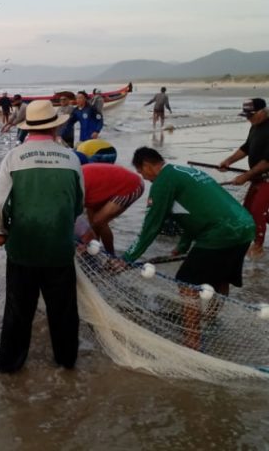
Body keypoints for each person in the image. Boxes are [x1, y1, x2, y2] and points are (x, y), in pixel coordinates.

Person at [125, 147, 254, 350]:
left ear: (147, 165)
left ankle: (192, 340)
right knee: (221, 277)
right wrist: (183, 245)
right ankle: (210, 318)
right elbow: (194, 212)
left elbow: (151, 225)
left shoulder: (163, 181)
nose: (144, 177)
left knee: (186, 282)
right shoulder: (184, 172)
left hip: (221, 233)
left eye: (141, 172)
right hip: (245, 226)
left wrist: (127, 257)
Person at [0, 100, 84, 373]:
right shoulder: (71, 158)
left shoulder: (14, 157)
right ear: (56, 127)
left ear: (28, 127)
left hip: (23, 247)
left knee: (18, 309)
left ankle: (10, 363)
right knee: (64, 310)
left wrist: (0, 232)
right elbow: (79, 203)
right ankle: (66, 359)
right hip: (59, 248)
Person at [218, 98, 269, 260]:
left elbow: (267, 161)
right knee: (247, 211)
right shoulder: (255, 126)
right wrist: (229, 161)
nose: (248, 119)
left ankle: (258, 247)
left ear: (263, 112)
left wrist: (245, 176)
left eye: (251, 115)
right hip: (257, 178)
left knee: (256, 211)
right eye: (246, 116)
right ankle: (252, 242)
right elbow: (246, 147)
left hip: (267, 178)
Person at [76, 163, 144, 256]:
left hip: (131, 185)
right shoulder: (73, 181)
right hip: (99, 188)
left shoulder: (73, 188)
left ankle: (111, 256)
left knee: (99, 221)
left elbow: (74, 219)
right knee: (92, 223)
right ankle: (94, 251)